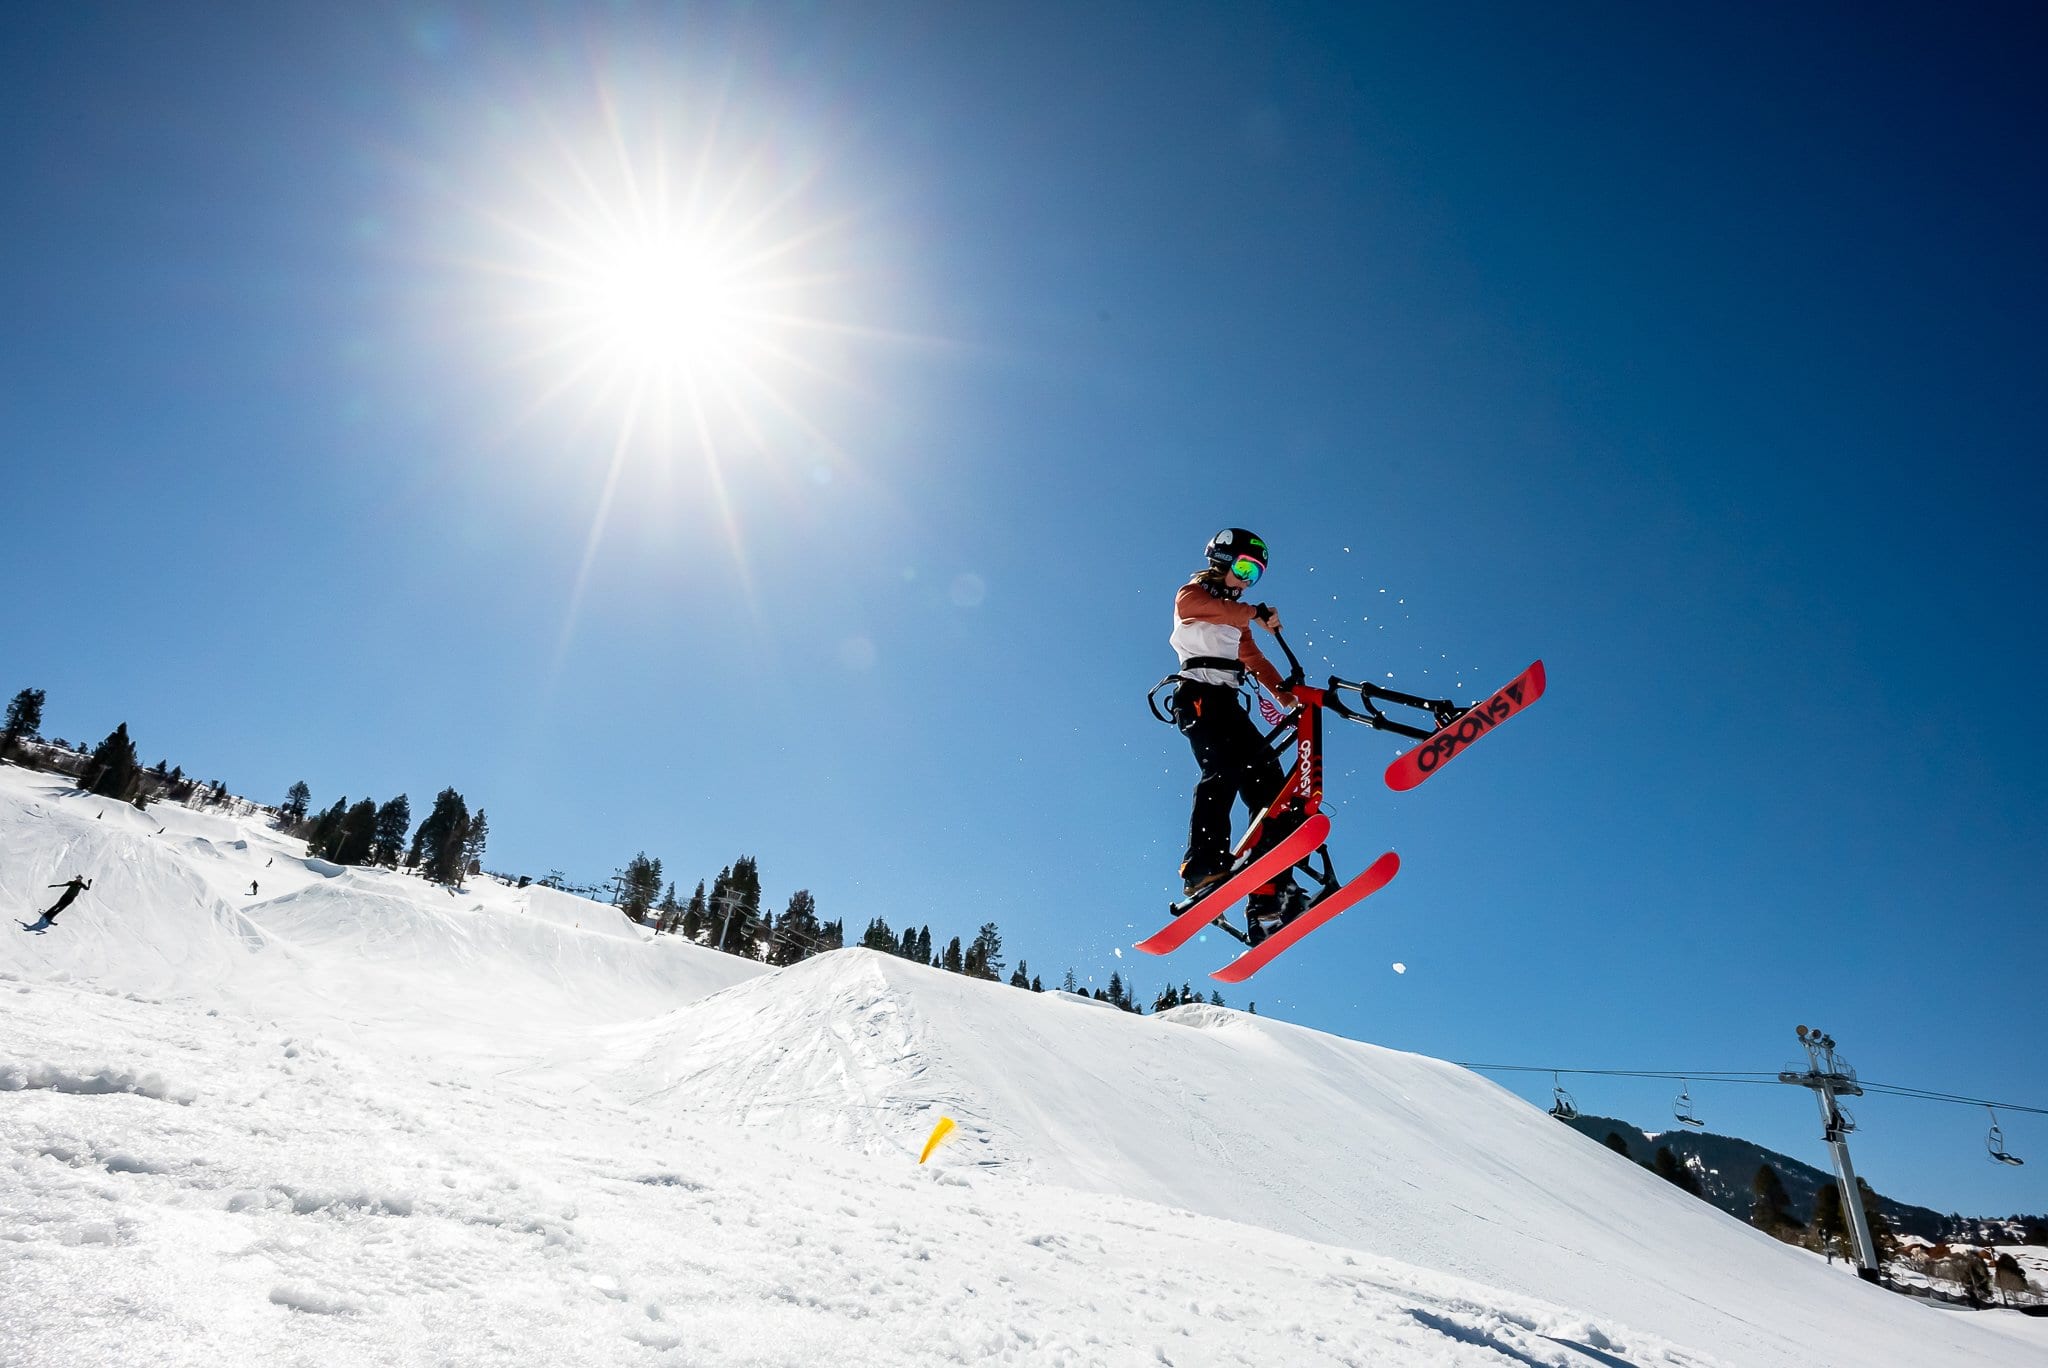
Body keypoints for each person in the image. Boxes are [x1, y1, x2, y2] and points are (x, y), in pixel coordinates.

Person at [1168, 528, 1308, 940]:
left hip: (1228, 701)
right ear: (1222, 560)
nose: (1247, 579)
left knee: (1268, 780)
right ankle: (1203, 867)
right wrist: (1254, 613)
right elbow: (1211, 611)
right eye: (1244, 568)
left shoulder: (1237, 615)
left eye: (1256, 574)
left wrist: (1287, 696)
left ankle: (1268, 890)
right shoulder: (1192, 596)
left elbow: (1252, 657)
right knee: (1223, 768)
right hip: (1197, 696)